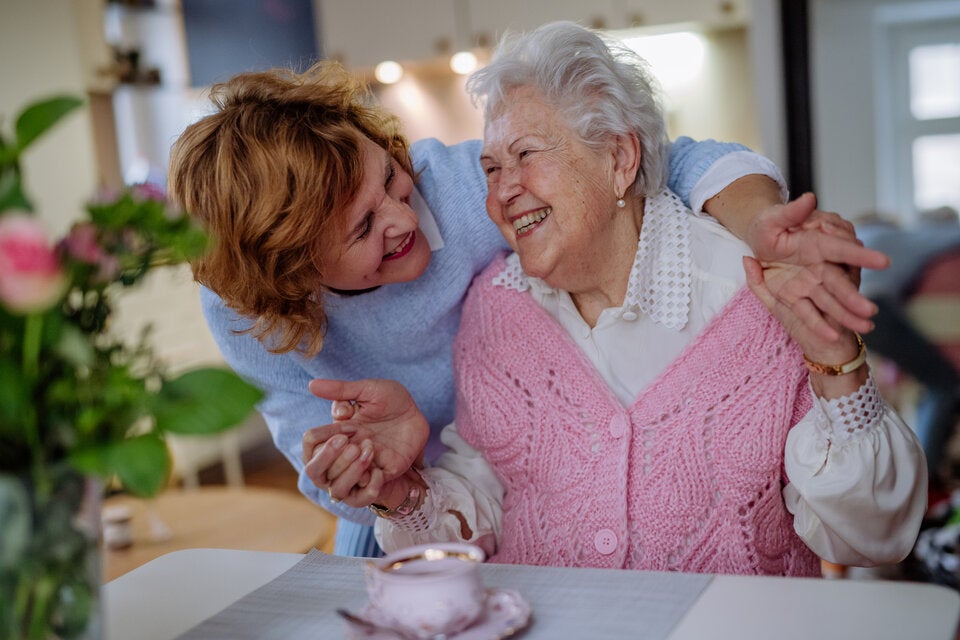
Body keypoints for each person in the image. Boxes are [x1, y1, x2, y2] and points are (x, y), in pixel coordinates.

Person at [168, 53, 887, 558]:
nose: (403, 218)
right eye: (363, 228)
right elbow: (328, 462)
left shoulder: (459, 190)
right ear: (292, 274)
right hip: (413, 500)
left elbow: (659, 158)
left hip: (516, 472)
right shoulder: (246, 312)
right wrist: (382, 482)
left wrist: (762, 221)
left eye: (389, 178)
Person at [855, 209, 960, 484]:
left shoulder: (860, 238)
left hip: (854, 312)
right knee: (944, 383)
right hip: (874, 311)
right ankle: (927, 474)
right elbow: (947, 236)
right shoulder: (892, 236)